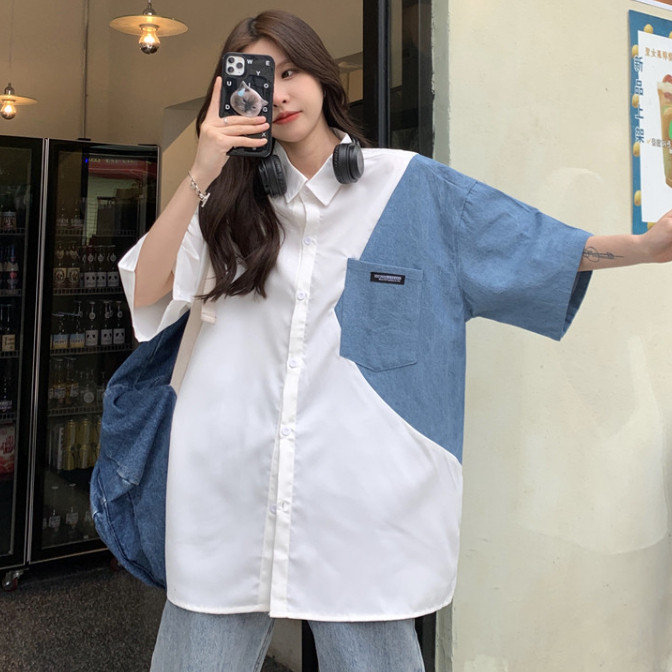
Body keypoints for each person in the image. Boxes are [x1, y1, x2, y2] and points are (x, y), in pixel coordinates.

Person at [119, 9, 672, 672]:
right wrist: (202, 170)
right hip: (228, 495)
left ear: (322, 76)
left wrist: (642, 248)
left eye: (291, 72)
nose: (281, 94)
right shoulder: (228, 206)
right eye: (264, 78)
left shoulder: (410, 187)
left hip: (362, 510)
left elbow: (523, 242)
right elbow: (147, 290)